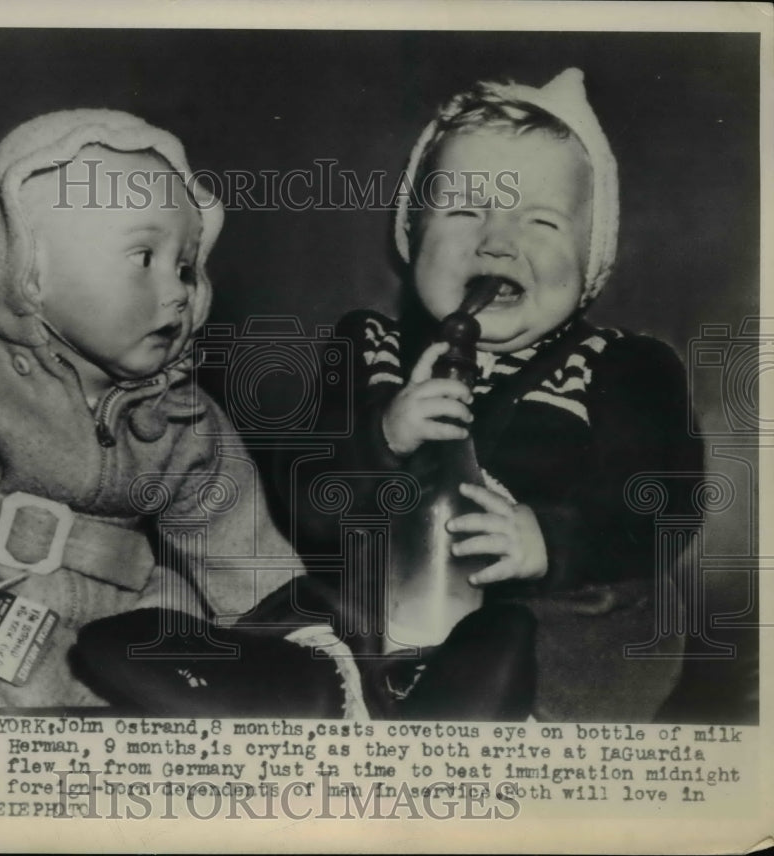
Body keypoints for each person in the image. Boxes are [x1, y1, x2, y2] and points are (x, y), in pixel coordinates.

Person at [0, 109, 366, 717]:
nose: (176, 290)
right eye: (143, 257)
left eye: (185, 266)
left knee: (190, 620)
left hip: (115, 605)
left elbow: (237, 542)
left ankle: (215, 683)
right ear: (32, 274)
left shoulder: (184, 418)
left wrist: (301, 639)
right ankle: (86, 692)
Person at [290, 69, 703, 721]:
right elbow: (308, 506)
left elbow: (661, 502)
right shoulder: (367, 348)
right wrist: (384, 437)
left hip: (553, 619)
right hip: (380, 615)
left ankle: (459, 704)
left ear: (588, 263)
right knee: (302, 600)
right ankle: (285, 682)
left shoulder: (625, 365)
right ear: (413, 235)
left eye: (540, 220)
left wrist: (551, 541)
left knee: (578, 619)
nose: (497, 239)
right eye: (462, 209)